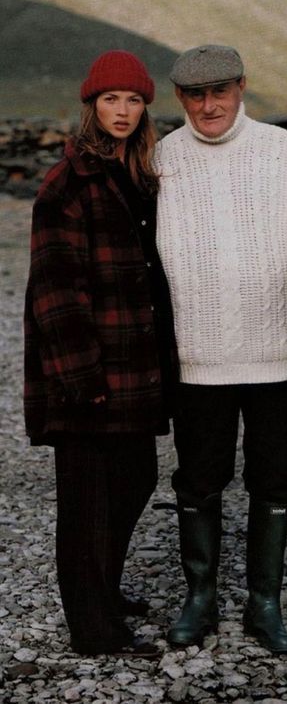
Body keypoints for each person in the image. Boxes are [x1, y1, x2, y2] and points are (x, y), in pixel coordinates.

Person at [154, 44, 287, 653]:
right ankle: (200, 599)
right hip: (195, 357)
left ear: (241, 89)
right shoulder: (163, 160)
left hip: (276, 352)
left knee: (273, 477)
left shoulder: (280, 149)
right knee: (198, 479)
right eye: (197, 94)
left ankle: (265, 604)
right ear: (180, 98)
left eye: (221, 91)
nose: (210, 105)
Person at [24, 50, 177, 657]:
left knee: (136, 475)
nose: (123, 110)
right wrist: (79, 376)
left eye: (135, 100)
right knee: (86, 501)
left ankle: (102, 590)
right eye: (111, 99)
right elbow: (55, 290)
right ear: (92, 105)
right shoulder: (68, 182)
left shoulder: (138, 177)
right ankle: (93, 627)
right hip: (83, 371)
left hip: (133, 366)